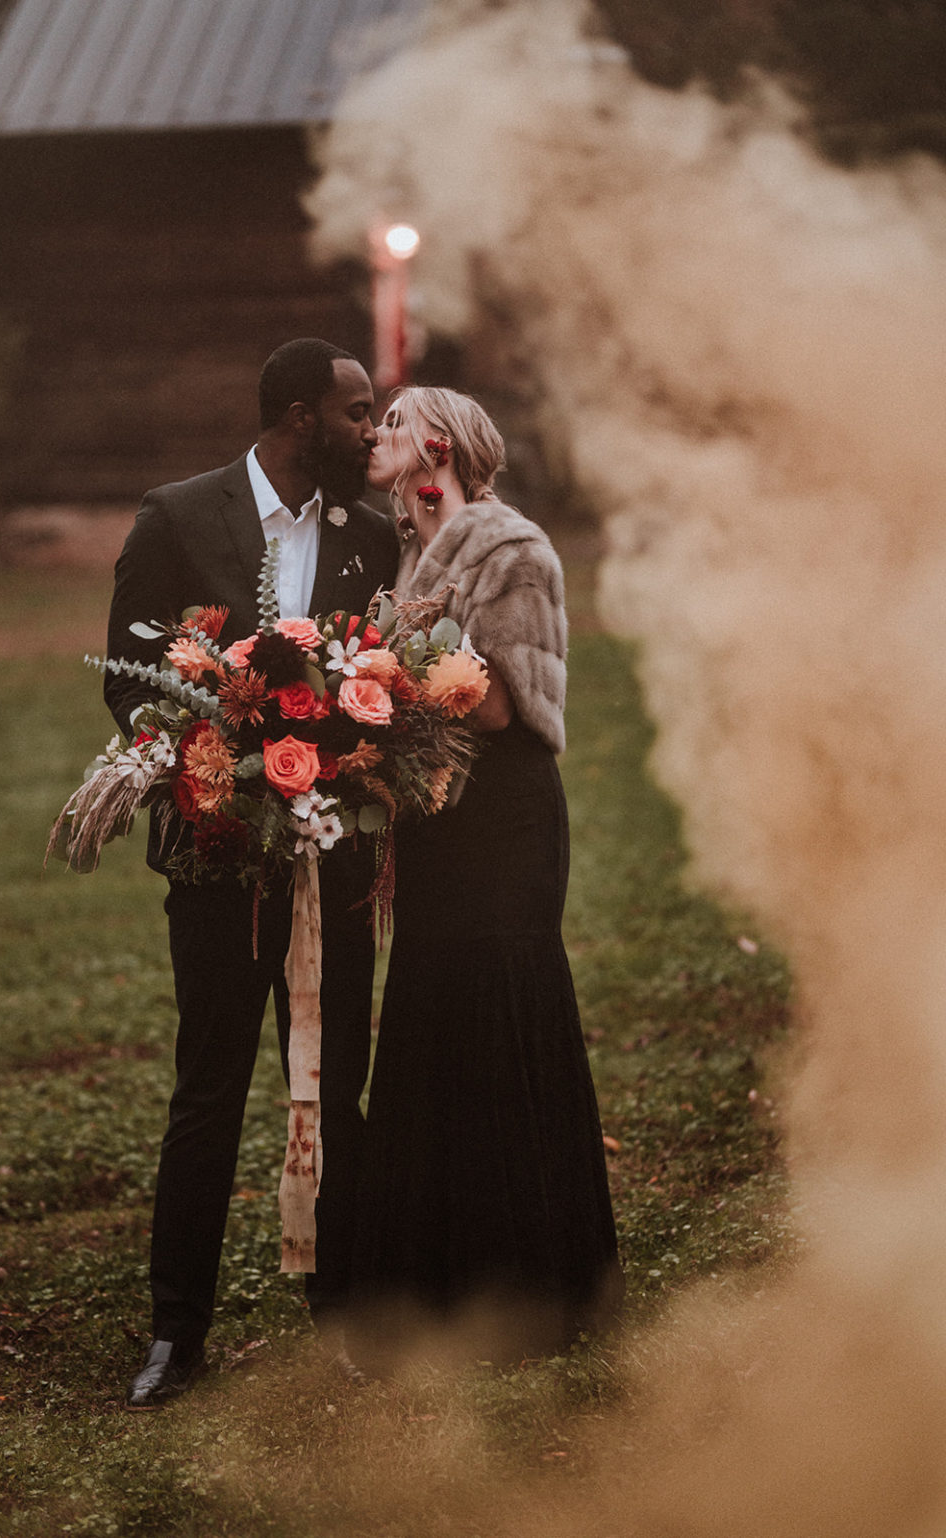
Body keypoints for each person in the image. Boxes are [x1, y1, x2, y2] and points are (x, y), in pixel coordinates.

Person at [105, 339, 399, 1408]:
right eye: (357, 411)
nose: (373, 429)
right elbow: (133, 683)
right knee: (210, 1085)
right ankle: (176, 1331)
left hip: (339, 854)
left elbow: (388, 675)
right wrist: (215, 773)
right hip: (222, 857)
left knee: (334, 1083)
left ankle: (346, 1307)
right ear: (296, 416)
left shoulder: (370, 534)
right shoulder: (178, 515)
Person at [344, 386, 624, 1372]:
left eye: (386, 423)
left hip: (502, 812)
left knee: (501, 1000)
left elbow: (498, 705)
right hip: (436, 819)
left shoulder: (510, 547)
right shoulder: (411, 551)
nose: (370, 437)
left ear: (435, 443)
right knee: (430, 1003)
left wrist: (375, 686)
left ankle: (534, 1281)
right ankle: (436, 1279)